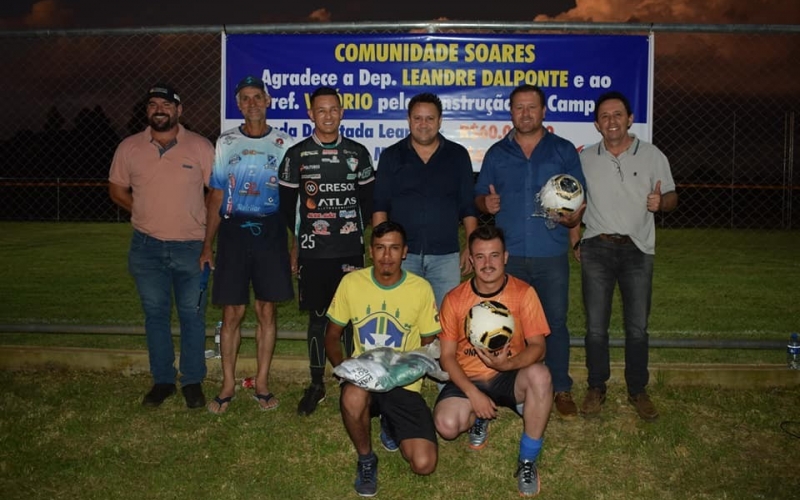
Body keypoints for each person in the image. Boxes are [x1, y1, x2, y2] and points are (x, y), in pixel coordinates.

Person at [474, 84, 585, 420]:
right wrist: (486, 203)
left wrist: (572, 221)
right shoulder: (497, 153)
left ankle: (561, 387)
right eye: (519, 108)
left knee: (555, 322)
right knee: (509, 323)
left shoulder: (563, 150)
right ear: (511, 112)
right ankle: (513, 386)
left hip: (550, 253)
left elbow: (579, 203)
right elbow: (479, 197)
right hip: (510, 256)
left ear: (544, 111)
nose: (525, 113)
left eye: (532, 107)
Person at [108, 83, 214, 409]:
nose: (159, 109)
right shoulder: (129, 147)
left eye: (166, 104)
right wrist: (141, 211)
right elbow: (116, 189)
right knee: (155, 315)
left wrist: (206, 236)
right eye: (153, 104)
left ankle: (192, 381)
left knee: (192, 315)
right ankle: (163, 381)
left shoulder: (200, 146)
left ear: (179, 110)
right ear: (147, 110)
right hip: (146, 246)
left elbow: (216, 192)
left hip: (190, 246)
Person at [574, 90, 678, 422]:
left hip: (638, 249)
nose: (612, 121)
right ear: (596, 124)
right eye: (604, 116)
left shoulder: (652, 155)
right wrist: (576, 240)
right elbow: (574, 203)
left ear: (630, 119)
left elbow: (672, 196)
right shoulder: (585, 158)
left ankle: (638, 389)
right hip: (597, 247)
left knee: (637, 327)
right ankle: (596, 387)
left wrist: (662, 203)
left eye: (618, 114)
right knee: (595, 327)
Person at [278, 86, 375, 417]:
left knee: (351, 318)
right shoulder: (296, 155)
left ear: (342, 112)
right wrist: (299, 240)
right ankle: (317, 383)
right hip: (313, 252)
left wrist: (356, 234)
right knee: (318, 319)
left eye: (334, 109)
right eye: (321, 110)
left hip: (348, 250)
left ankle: (352, 382)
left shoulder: (358, 153)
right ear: (311, 114)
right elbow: (287, 208)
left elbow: (368, 201)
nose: (328, 116)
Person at [200, 75, 295, 414]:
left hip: (271, 231)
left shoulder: (285, 143)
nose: (252, 103)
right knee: (232, 311)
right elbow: (216, 194)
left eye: (258, 97)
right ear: (238, 105)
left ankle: (263, 382)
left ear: (268, 101)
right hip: (234, 231)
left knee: (266, 309)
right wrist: (207, 244)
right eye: (245, 98)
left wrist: (296, 245)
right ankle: (227, 384)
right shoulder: (226, 142)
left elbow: (293, 200)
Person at [434, 225, 552, 497]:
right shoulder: (455, 299)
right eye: (480, 256)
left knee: (541, 376)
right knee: (447, 427)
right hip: (469, 377)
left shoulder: (524, 293)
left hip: (509, 375)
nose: (488, 263)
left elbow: (539, 348)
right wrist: (472, 394)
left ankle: (527, 460)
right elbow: (447, 357)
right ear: (471, 259)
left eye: (494, 255)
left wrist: (506, 365)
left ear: (505, 257)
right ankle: (479, 415)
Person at [325, 221, 440, 497]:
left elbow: (429, 345)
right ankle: (366, 459)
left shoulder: (420, 288)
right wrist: (344, 368)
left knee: (424, 464)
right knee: (353, 396)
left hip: (402, 382)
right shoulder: (352, 283)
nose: (386, 256)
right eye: (380, 248)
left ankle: (390, 421)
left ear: (405, 252)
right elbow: (332, 336)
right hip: (364, 377)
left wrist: (407, 370)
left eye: (394, 248)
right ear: (370, 251)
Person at [372, 92, 478, 310]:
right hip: (402, 256)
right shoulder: (391, 156)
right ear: (409, 120)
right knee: (402, 316)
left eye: (430, 118)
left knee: (445, 318)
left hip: (445, 256)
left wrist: (471, 245)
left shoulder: (458, 155)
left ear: (440, 121)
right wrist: (382, 249)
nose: (423, 124)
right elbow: (380, 207)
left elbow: (468, 206)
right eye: (418, 118)